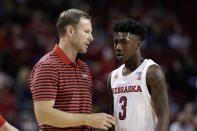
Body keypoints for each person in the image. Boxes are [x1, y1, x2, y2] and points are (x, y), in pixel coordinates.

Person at [29, 9, 116, 131]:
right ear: (70, 31)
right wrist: (89, 119)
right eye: (86, 32)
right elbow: (43, 115)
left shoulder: (84, 68)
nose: (91, 38)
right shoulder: (47, 66)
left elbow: (80, 114)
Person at [107, 18, 169, 131]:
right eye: (116, 42)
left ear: (138, 44)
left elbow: (163, 116)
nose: (118, 47)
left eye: (124, 42)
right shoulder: (112, 77)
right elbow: (112, 120)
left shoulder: (152, 72)